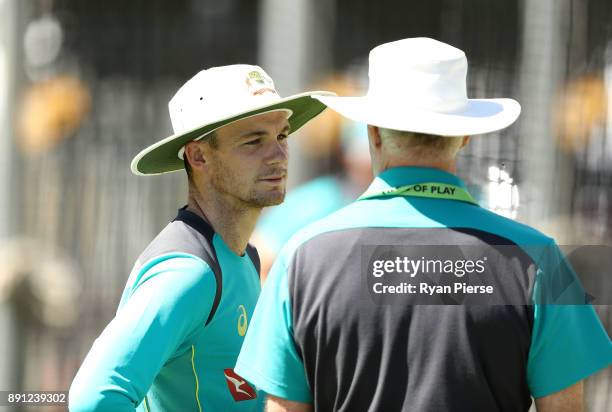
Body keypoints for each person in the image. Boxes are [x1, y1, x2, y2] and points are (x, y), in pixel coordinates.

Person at [235, 38, 612, 412]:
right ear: (465, 135)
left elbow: (283, 406)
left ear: (373, 132)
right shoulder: (537, 258)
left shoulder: (301, 258)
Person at [68, 65, 333, 411]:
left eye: (281, 136)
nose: (279, 155)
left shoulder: (242, 256)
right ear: (198, 156)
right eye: (254, 141)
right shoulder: (188, 273)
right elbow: (94, 397)